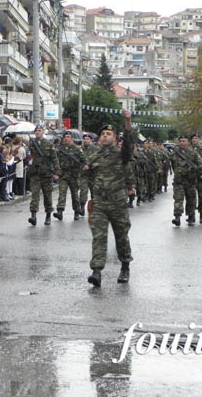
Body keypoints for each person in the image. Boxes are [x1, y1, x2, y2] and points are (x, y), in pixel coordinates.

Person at [83, 111, 134, 288]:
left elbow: (129, 143)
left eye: (109, 134)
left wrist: (127, 121)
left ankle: (125, 266)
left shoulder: (122, 154)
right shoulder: (93, 155)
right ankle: (96, 271)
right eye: (103, 134)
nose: (105, 136)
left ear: (115, 138)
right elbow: (87, 174)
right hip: (100, 203)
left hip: (118, 203)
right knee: (99, 237)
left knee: (121, 236)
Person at [170, 136, 202, 227]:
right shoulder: (174, 153)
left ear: (187, 143)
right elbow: (170, 163)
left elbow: (200, 164)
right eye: (180, 141)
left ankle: (191, 216)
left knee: (191, 199)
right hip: (179, 181)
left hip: (190, 180)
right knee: (178, 199)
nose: (182, 143)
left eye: (184, 141)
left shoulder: (193, 153)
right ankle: (177, 217)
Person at [27, 126, 60, 226]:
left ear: (43, 132)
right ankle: (33, 216)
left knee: (47, 196)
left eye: (39, 131)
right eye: (36, 131)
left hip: (46, 174)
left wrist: (57, 172)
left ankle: (48, 216)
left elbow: (54, 159)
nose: (37, 132)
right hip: (35, 173)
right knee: (35, 195)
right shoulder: (32, 143)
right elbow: (29, 157)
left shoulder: (49, 144)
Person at [54, 131, 85, 221]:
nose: (66, 138)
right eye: (65, 137)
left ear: (71, 139)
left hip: (74, 175)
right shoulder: (60, 149)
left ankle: (76, 211)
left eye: (68, 137)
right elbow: (56, 161)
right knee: (62, 192)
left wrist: (83, 166)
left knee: (75, 194)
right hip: (63, 175)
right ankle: (60, 211)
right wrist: (56, 172)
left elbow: (83, 160)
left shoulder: (77, 149)